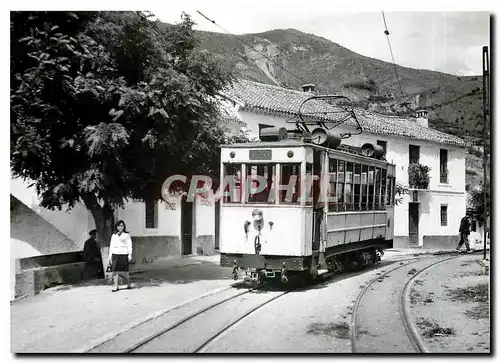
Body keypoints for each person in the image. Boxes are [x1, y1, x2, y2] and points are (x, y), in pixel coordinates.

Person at [108, 220, 133, 292]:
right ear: (116, 226)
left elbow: (129, 245)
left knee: (124, 271)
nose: (120, 227)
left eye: (122, 225)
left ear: (124, 226)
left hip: (124, 254)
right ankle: (116, 286)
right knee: (115, 271)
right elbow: (111, 246)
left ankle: (128, 283)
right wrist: (110, 256)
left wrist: (130, 254)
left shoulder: (126, 235)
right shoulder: (114, 235)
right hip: (115, 254)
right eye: (119, 225)